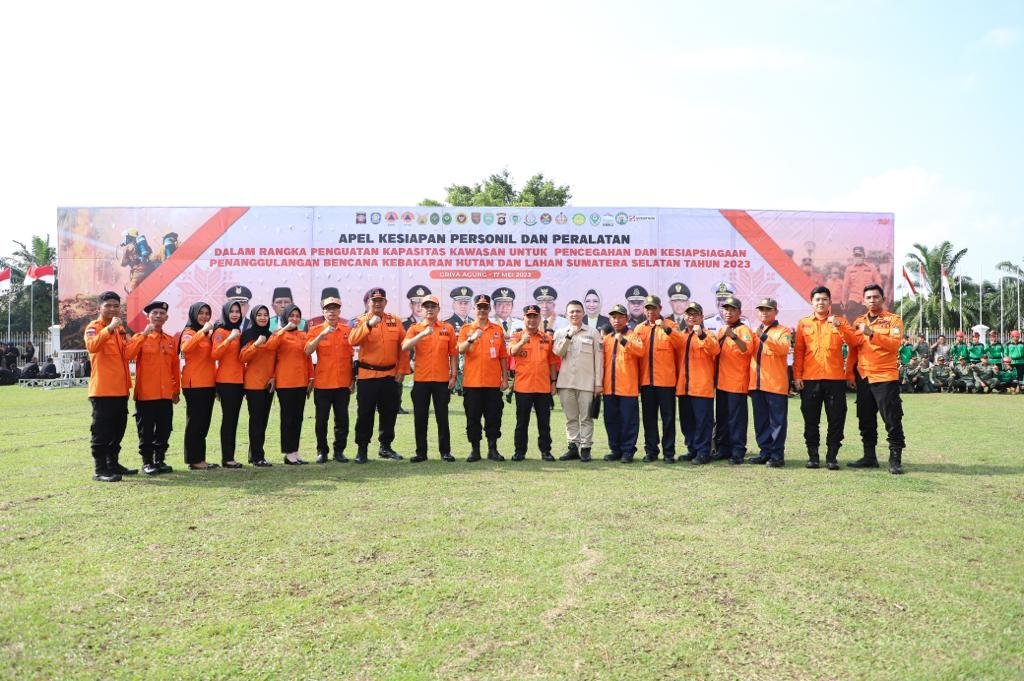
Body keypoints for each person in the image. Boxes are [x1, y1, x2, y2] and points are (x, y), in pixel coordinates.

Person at [792, 285, 857, 470]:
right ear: (812, 302)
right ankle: (813, 456)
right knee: (811, 420)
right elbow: (798, 352)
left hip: (835, 379)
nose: (821, 302)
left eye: (824, 299)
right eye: (817, 299)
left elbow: (853, 342)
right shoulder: (804, 323)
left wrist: (839, 327)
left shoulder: (840, 321)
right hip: (810, 379)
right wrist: (797, 376)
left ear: (830, 302)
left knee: (836, 419)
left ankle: (832, 457)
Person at [846, 284, 907, 474]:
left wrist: (872, 333)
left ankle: (895, 459)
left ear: (883, 299)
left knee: (892, 418)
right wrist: (849, 373)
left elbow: (894, 345)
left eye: (876, 297)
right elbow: (854, 349)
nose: (872, 300)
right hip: (864, 376)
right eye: (869, 297)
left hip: (885, 376)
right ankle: (869, 457)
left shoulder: (893, 320)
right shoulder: (859, 321)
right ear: (863, 301)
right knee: (865, 418)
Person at [349, 288, 410, 463]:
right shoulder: (361, 321)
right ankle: (362, 449)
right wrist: (368, 325)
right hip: (368, 375)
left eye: (380, 300)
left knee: (389, 413)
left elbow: (404, 346)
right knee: (365, 414)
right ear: (368, 303)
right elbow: (352, 340)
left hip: (390, 376)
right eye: (374, 300)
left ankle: (386, 447)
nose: (377, 303)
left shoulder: (395, 320)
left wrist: (402, 370)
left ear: (385, 302)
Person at [84, 291, 135, 482]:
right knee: (102, 430)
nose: (113, 309)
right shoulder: (93, 327)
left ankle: (113, 464)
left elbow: (128, 354)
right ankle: (100, 469)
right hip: (103, 390)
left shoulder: (121, 330)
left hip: (121, 389)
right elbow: (92, 346)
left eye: (116, 306)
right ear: (100, 307)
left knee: (118, 429)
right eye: (108, 305)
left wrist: (140, 337)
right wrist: (109, 329)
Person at [125, 300, 179, 475]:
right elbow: (128, 354)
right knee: (146, 429)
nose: (158, 316)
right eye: (154, 313)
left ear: (166, 317)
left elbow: (174, 367)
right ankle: (147, 462)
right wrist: (143, 335)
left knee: (165, 428)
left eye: (162, 313)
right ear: (148, 317)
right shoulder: (140, 337)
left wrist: (176, 390)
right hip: (146, 393)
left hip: (165, 394)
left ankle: (159, 460)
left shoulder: (170, 340)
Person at [402, 294, 458, 462]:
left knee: (442, 417)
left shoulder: (447, 328)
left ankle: (445, 452)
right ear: (422, 309)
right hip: (421, 380)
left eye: (433, 306)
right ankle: (421, 452)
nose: (429, 309)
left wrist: (453, 376)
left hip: (441, 380)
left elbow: (453, 354)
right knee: (420, 418)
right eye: (426, 306)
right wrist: (422, 335)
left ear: (438, 309)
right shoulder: (415, 328)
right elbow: (405, 346)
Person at [458, 294, 509, 461]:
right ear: (474, 309)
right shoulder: (466, 329)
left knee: (493, 417)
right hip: (472, 383)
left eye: (485, 307)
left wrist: (504, 378)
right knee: (473, 418)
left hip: (492, 383)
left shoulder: (497, 329)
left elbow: (503, 356)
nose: (482, 310)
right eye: (479, 307)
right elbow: (461, 349)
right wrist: (472, 338)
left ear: (490, 309)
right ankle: (475, 450)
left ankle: (492, 449)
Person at [634, 295, 684, 463]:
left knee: (668, 419)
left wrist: (665, 328)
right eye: (647, 308)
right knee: (649, 418)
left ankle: (669, 452)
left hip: (666, 382)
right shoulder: (639, 328)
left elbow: (680, 344)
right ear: (644, 310)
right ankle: (651, 451)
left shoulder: (671, 325)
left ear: (660, 309)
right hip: (646, 382)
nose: (650, 311)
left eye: (653, 308)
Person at [305, 294, 355, 463]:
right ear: (323, 312)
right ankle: (322, 451)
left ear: (339, 311)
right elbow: (307, 351)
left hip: (342, 383)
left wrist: (353, 380)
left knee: (342, 420)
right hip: (323, 383)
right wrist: (321, 335)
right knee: (321, 420)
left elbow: (351, 357)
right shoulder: (315, 330)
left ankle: (339, 451)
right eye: (328, 309)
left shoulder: (347, 331)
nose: (332, 312)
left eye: (335, 309)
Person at [553, 300, 604, 462]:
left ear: (583, 313)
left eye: (578, 311)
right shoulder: (560, 333)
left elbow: (599, 360)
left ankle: (586, 448)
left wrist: (598, 383)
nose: (575, 314)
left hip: (587, 383)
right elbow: (558, 353)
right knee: (571, 418)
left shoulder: (593, 332)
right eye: (571, 312)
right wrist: (569, 335)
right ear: (566, 315)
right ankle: (573, 447)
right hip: (565, 383)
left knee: (586, 418)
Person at [509, 304, 560, 461]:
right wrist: (522, 342)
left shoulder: (547, 338)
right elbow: (512, 352)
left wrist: (553, 382)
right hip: (523, 387)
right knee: (522, 422)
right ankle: (519, 451)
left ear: (539, 318)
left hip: (543, 387)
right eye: (529, 316)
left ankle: (546, 451)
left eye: (535, 316)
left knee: (544, 422)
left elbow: (552, 362)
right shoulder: (517, 336)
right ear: (523, 318)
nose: (532, 319)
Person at [747, 298, 792, 467]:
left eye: (768, 309)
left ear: (776, 312)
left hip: (775, 385)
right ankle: (764, 452)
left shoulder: (783, 330)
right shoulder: (754, 331)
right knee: (761, 422)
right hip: (757, 384)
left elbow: (783, 349)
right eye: (761, 309)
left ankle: (777, 456)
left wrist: (763, 336)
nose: (764, 312)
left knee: (777, 422)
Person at [675, 301, 720, 465]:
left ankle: (703, 452)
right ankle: (692, 449)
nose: (691, 317)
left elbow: (715, 349)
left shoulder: (708, 334)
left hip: (701, 387)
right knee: (687, 421)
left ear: (701, 317)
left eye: (695, 314)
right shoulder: (681, 336)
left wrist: (701, 334)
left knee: (703, 422)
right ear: (684, 316)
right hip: (684, 386)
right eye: (689, 314)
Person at [714, 296, 756, 465]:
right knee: (722, 418)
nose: (728, 313)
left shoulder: (743, 330)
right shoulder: (721, 330)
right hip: (721, 382)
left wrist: (733, 336)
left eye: (732, 310)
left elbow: (747, 349)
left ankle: (738, 451)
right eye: (726, 309)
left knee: (736, 420)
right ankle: (723, 449)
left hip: (737, 383)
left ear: (739, 312)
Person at [601, 305, 644, 462]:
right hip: (609, 388)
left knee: (628, 421)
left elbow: (640, 351)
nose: (617, 320)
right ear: (610, 319)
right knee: (611, 420)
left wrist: (624, 341)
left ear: (626, 318)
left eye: (620, 317)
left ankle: (627, 451)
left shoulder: (633, 336)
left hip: (627, 388)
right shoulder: (607, 339)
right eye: (614, 317)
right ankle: (615, 450)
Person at [273, 304, 314, 464]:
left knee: (298, 418)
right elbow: (270, 347)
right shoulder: (279, 333)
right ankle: (288, 452)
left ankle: (295, 451)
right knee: (288, 418)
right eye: (291, 316)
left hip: (301, 382)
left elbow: (308, 357)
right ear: (285, 317)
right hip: (285, 382)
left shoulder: (303, 335)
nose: (294, 319)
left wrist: (311, 378)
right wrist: (284, 329)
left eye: (297, 316)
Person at [239, 305, 280, 467]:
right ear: (254, 317)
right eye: (259, 315)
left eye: (265, 315)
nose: (263, 318)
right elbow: (242, 357)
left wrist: (274, 377)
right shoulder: (248, 335)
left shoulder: (271, 336)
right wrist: (256, 344)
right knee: (256, 421)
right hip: (253, 384)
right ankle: (258, 456)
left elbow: (277, 360)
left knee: (263, 421)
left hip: (268, 384)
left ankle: (254, 454)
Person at [179, 302, 218, 470]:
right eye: (201, 313)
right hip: (194, 384)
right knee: (195, 423)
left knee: (203, 423)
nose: (204, 316)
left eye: (207, 313)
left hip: (208, 383)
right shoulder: (189, 332)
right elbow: (186, 348)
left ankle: (200, 458)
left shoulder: (207, 335)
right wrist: (202, 332)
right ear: (194, 314)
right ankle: (193, 459)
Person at [211, 301, 246, 468]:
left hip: (239, 381)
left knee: (233, 420)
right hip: (226, 382)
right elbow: (215, 354)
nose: (235, 314)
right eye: (231, 311)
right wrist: (230, 338)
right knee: (229, 420)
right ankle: (227, 458)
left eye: (237, 311)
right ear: (225, 313)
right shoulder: (221, 331)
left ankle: (229, 456)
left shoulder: (239, 331)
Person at [841, 246, 882, 320]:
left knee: (868, 322)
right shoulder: (849, 269)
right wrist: (844, 302)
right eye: (855, 255)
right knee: (852, 322)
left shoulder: (871, 267)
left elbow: (878, 283)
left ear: (864, 256)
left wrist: (879, 299)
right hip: (854, 300)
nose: (857, 257)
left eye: (859, 255)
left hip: (868, 300)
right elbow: (845, 287)